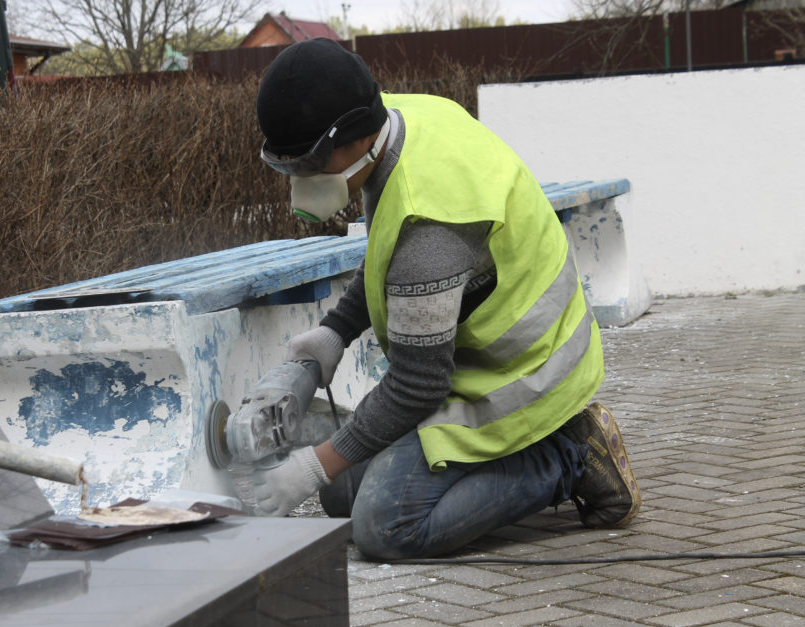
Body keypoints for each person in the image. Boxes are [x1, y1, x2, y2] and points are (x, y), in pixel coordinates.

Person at [248, 38, 640, 560]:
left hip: (525, 375)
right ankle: (535, 454)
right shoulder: (400, 120)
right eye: (288, 166)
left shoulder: (432, 224)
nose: (301, 180)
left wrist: (313, 464)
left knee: (385, 527)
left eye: (310, 163)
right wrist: (336, 331)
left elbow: (416, 384)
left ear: (355, 136)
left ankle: (571, 455)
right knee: (342, 492)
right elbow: (393, 251)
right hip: (481, 355)